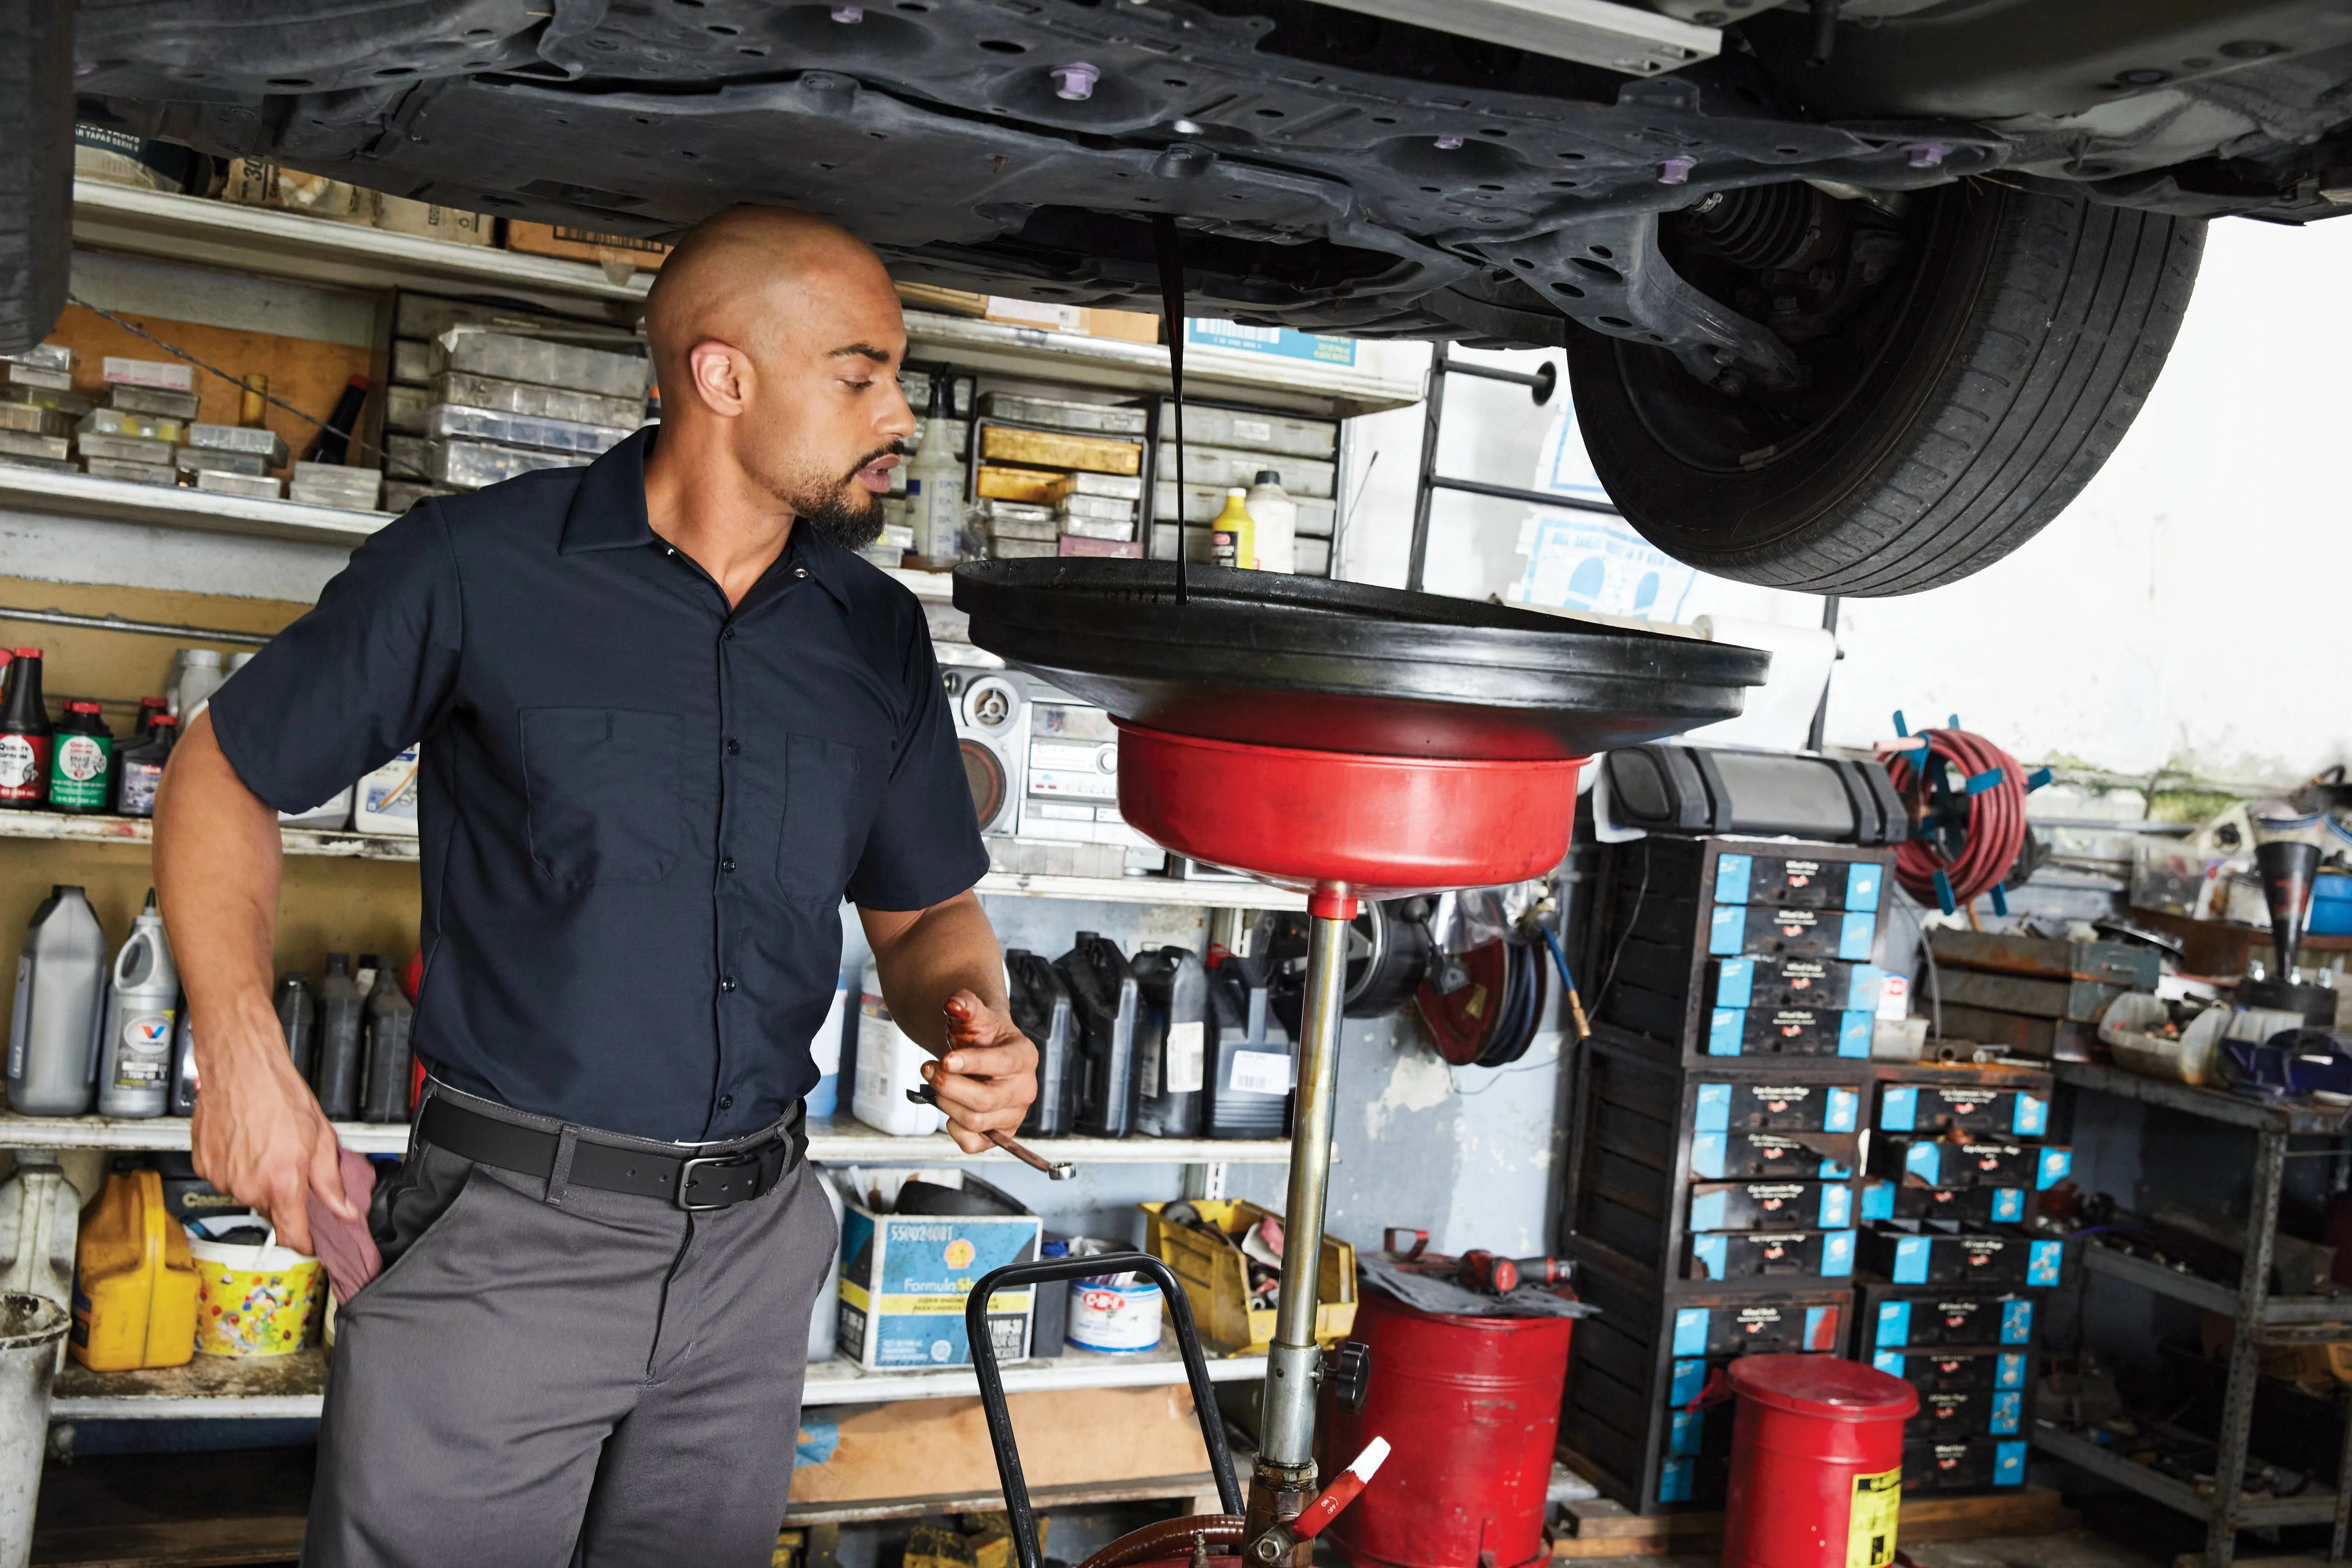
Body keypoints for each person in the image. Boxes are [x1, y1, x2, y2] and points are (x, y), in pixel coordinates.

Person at [152, 206, 1039, 1567]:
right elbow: (224, 770)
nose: (901, 413)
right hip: (511, 1242)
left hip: (753, 1256)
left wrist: (977, 1020)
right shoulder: (476, 569)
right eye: (861, 374)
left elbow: (921, 914)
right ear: (723, 374)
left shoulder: (877, 635)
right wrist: (241, 1051)